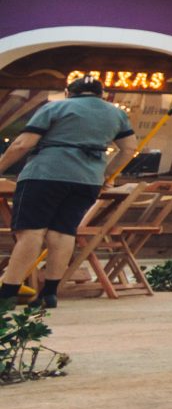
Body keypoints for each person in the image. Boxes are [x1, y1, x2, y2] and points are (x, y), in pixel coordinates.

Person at [0, 75, 138, 308]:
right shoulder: (116, 114)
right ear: (101, 94)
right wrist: (106, 174)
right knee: (63, 233)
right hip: (87, 179)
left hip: (45, 175)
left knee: (31, 232)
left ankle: (8, 293)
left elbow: (22, 144)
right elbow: (129, 148)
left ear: (68, 92)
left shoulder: (56, 107)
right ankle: (50, 293)